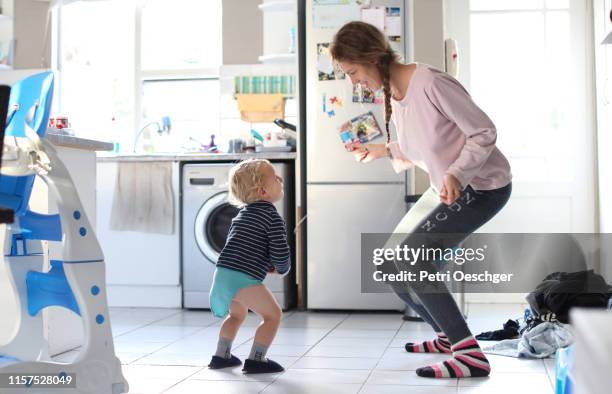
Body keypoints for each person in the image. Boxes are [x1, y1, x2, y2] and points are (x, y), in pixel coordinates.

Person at [330, 21, 512, 379]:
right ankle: (447, 337)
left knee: (414, 264)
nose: (353, 82)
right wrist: (382, 150)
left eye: (352, 72)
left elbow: (483, 131)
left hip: (481, 187)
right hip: (447, 186)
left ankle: (470, 356)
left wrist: (457, 174)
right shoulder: (395, 93)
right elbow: (425, 146)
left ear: (370, 57)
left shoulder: (430, 83)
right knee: (388, 265)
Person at [207, 159, 290, 374]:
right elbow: (280, 251)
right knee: (272, 315)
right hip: (244, 279)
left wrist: (264, 262)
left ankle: (221, 356)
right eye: (275, 178)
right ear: (263, 191)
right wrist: (282, 268)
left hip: (224, 274)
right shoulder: (271, 216)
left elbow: (244, 247)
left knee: (236, 315)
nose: (280, 179)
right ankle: (257, 359)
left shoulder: (241, 215)